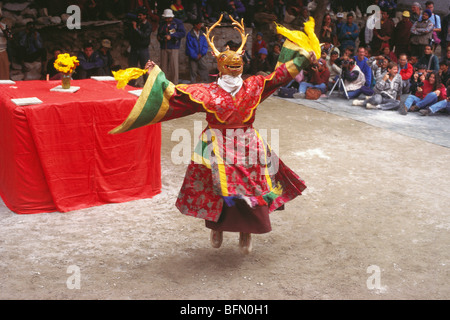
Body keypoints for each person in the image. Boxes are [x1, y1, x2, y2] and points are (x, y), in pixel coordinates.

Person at [109, 14, 318, 254]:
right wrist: (157, 74)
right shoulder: (207, 92)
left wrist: (303, 57)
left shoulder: (254, 86)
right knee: (215, 187)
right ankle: (216, 226)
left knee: (250, 188)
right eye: (229, 62)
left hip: (247, 142)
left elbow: (279, 76)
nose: (234, 65)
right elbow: (176, 95)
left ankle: (246, 232)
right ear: (220, 65)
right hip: (215, 144)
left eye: (237, 61)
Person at [157, 8, 186, 85]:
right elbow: (159, 33)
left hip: (174, 47)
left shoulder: (178, 23)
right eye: (166, 18)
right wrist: (160, 38)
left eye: (169, 18)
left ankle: (174, 84)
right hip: (164, 47)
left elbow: (182, 33)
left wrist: (172, 36)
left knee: (174, 67)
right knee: (163, 67)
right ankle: (163, 84)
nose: (167, 20)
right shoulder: (162, 23)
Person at [126, 6, 152, 83]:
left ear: (145, 16)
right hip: (134, 49)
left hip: (143, 49)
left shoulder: (148, 25)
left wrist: (136, 29)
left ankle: (146, 86)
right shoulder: (136, 23)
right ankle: (131, 85)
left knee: (145, 69)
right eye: (138, 15)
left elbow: (144, 36)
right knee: (132, 68)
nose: (139, 17)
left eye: (140, 15)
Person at [185, 19, 209, 83]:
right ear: (195, 25)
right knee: (193, 71)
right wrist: (195, 56)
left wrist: (201, 54)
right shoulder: (190, 34)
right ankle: (193, 85)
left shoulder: (202, 34)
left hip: (201, 55)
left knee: (204, 69)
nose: (200, 26)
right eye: (199, 24)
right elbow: (189, 47)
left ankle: (206, 84)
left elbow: (205, 45)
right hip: (193, 56)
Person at [0, 8, 12, 80]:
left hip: (2, 52)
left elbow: (10, 37)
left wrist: (3, 29)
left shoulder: (4, 26)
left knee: (3, 75)